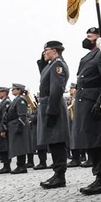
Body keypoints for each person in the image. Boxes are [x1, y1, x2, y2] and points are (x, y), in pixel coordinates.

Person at [76, 27, 101, 195]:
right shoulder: (88, 56)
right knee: (91, 140)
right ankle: (97, 176)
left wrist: (100, 101)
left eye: (91, 36)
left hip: (93, 101)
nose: (87, 37)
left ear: (99, 38)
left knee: (99, 141)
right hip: (85, 101)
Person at [37, 40, 71, 189]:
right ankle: (57, 173)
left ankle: (60, 175)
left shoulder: (58, 65)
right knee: (52, 140)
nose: (44, 53)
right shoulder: (51, 64)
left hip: (53, 104)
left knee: (57, 140)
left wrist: (51, 111)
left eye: (47, 50)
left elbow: (56, 89)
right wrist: (42, 60)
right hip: (48, 103)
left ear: (55, 51)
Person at [7, 84, 33, 174]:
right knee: (18, 146)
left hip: (19, 124)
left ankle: (21, 166)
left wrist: (19, 126)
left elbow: (22, 114)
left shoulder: (21, 99)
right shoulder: (16, 99)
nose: (12, 91)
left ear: (19, 90)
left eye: (13, 89)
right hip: (15, 124)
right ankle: (20, 165)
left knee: (20, 146)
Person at [0, 87, 12, 174]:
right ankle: (5, 165)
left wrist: (4, 129)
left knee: (4, 146)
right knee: (1, 146)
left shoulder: (7, 102)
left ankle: (7, 166)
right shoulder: (3, 102)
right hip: (0, 125)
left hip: (3, 126)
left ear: (4, 92)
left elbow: (5, 116)